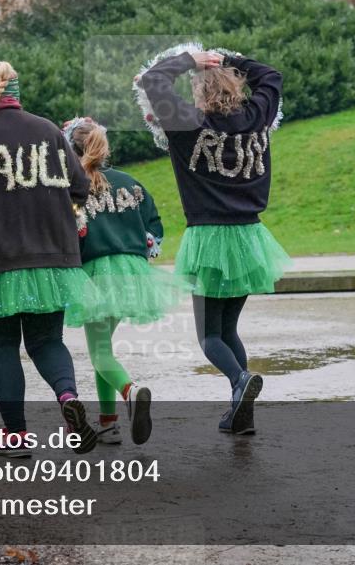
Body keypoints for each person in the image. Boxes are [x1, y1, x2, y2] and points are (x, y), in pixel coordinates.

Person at [0, 61, 97, 458]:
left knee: (1, 345)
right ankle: (67, 397)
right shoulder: (48, 131)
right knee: (47, 341)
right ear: (18, 93)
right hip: (51, 256)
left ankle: (16, 435)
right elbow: (80, 187)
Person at [138, 47, 291, 435]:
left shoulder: (187, 124)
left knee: (209, 336)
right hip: (249, 238)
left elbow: (153, 79)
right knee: (228, 330)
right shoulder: (257, 117)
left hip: (208, 237)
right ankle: (241, 414)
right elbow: (271, 76)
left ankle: (241, 381)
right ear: (236, 87)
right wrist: (228, 58)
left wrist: (192, 59)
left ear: (200, 93)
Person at [63, 117, 188, 445]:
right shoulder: (130, 183)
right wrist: (145, 244)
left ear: (71, 150)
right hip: (131, 272)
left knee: (100, 353)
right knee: (103, 349)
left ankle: (131, 391)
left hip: (94, 273)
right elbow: (153, 225)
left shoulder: (71, 187)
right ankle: (108, 422)